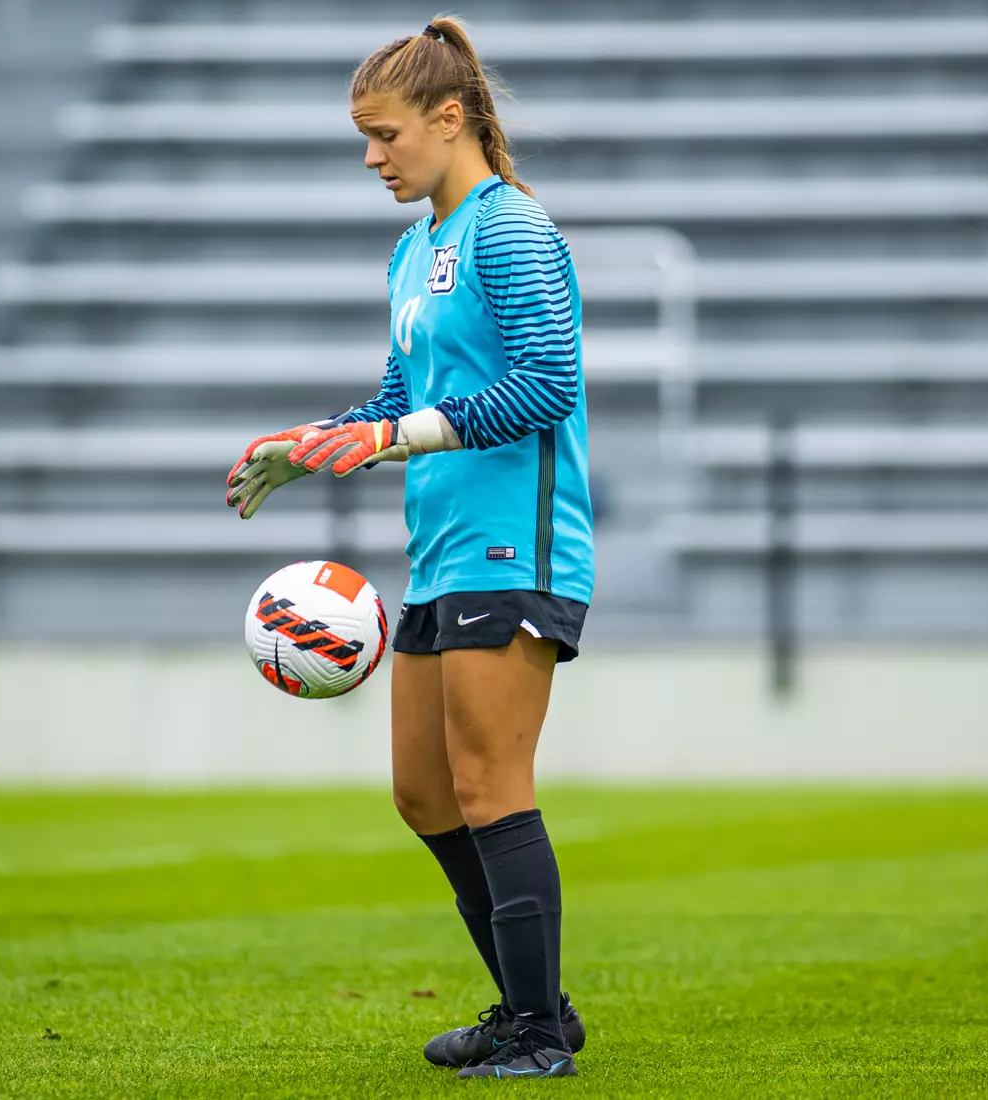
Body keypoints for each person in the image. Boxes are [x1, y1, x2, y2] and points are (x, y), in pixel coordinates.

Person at [225, 15, 593, 1081]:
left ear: (449, 115)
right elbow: (401, 397)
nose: (373, 158)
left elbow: (545, 387)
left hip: (509, 549)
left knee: (489, 785)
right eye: (363, 139)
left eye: (384, 134)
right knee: (425, 796)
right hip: (439, 549)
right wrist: (312, 444)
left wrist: (393, 432)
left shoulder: (510, 227)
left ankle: (533, 1034)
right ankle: (538, 1008)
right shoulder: (414, 244)